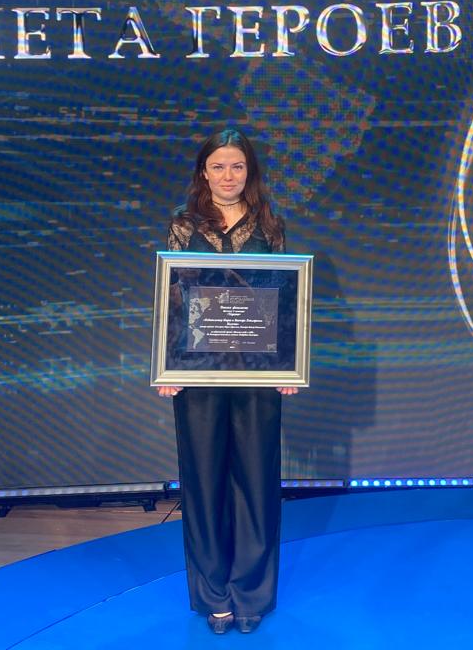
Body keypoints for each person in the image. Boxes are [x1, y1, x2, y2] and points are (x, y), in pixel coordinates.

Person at [157, 129, 297, 635]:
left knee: (257, 484)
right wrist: (166, 366)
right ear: (204, 172)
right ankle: (214, 595)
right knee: (203, 483)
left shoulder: (270, 224)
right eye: (218, 166)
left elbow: (286, 295)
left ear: (249, 171)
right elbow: (173, 297)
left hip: (258, 372)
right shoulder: (182, 225)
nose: (228, 175)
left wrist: (289, 364)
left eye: (237, 166)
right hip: (197, 372)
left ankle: (251, 593)